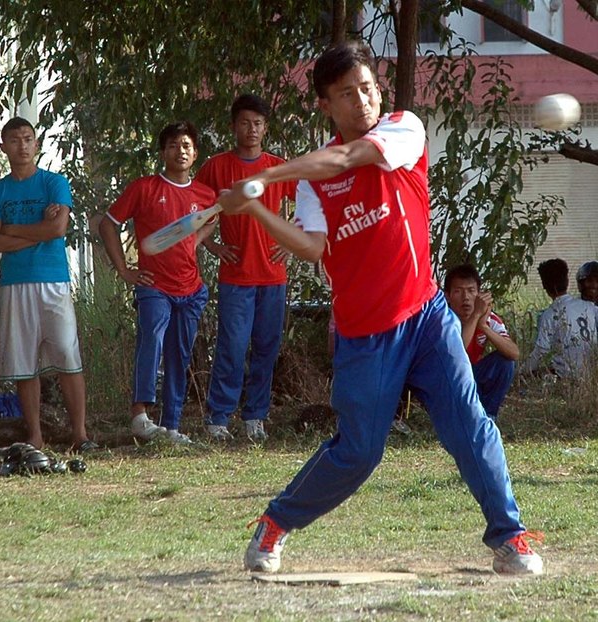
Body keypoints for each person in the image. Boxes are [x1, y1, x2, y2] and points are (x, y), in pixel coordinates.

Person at [217, 42, 543, 575]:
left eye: (367, 88)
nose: (362, 101)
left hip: (426, 317)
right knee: (359, 452)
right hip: (364, 335)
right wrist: (254, 207)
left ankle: (510, 536)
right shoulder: (314, 181)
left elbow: (349, 157)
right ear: (325, 104)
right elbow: (311, 247)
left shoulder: (402, 129)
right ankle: (275, 522)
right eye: (347, 94)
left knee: (471, 425)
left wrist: (266, 177)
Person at [98, 121, 217, 445]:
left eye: (186, 146)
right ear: (163, 152)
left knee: (180, 354)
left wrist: (194, 241)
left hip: (191, 289)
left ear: (195, 153)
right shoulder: (144, 188)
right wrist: (124, 270)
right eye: (173, 146)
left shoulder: (204, 194)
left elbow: (212, 219)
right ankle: (140, 416)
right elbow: (107, 224)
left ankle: (171, 426)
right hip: (154, 285)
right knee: (151, 338)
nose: (180, 151)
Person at [0, 117, 96, 451]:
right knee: (23, 363)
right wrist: (37, 232)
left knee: (67, 355)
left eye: (28, 139)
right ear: (3, 146)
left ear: (37, 144)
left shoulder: (54, 183)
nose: (23, 146)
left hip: (53, 281)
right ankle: (35, 435)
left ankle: (80, 434)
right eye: (15, 140)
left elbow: (57, 230)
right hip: (13, 284)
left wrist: (13, 229)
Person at [195, 94, 296, 443]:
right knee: (233, 347)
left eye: (257, 123)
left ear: (265, 128)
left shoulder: (277, 168)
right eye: (244, 123)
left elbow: (313, 203)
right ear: (233, 127)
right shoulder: (216, 167)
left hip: (273, 275)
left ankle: (256, 417)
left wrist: (292, 240)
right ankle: (218, 417)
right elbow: (196, 209)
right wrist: (211, 245)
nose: (251, 129)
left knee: (266, 347)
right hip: (236, 275)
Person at [443, 264, 519, 419]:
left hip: (472, 375)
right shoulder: (442, 320)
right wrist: (475, 316)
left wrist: (484, 326)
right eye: (458, 291)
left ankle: (487, 416)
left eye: (471, 291)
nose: (465, 297)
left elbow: (514, 353)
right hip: (446, 380)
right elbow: (456, 355)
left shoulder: (489, 319)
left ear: (479, 294)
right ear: (448, 296)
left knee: (505, 362)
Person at [524, 258, 598, 378]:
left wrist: (521, 370)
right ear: (567, 281)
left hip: (567, 376)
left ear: (544, 286)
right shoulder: (589, 307)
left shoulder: (549, 315)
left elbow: (540, 352)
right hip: (592, 373)